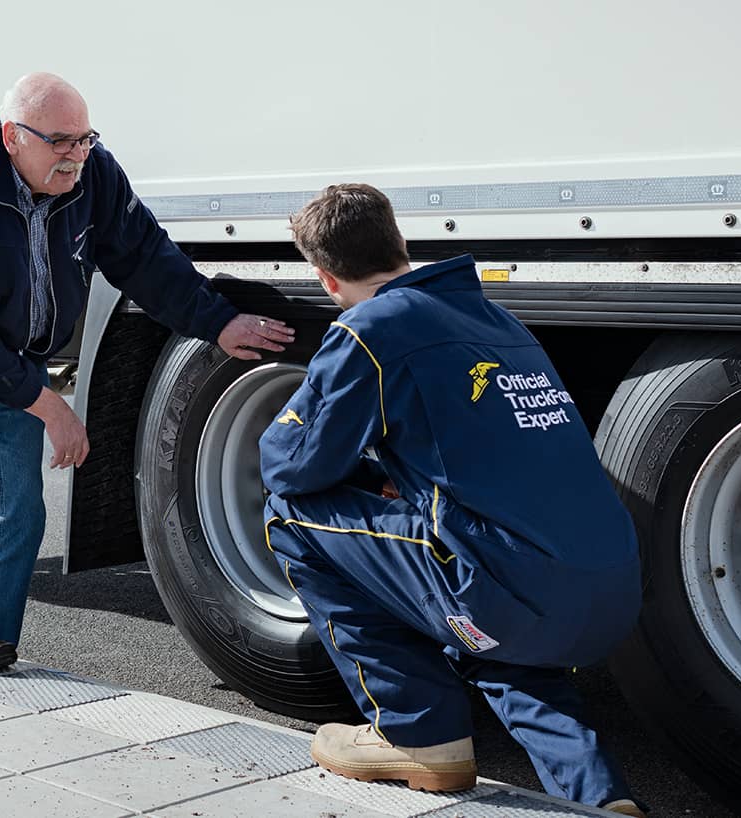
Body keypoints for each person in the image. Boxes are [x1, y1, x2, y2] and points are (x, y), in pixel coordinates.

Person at [0, 72, 293, 673]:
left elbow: (144, 257)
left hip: (15, 345)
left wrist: (216, 322)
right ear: (13, 137)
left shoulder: (91, 172)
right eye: (61, 141)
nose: (76, 154)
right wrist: (50, 405)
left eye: (85, 138)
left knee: (19, 493)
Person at [259, 184, 645, 816]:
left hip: (509, 594)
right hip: (603, 594)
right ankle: (602, 801)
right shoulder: (501, 322)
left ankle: (418, 732)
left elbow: (292, 466)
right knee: (502, 636)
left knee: (291, 518)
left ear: (326, 279)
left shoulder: (371, 327)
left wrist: (360, 470)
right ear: (401, 243)